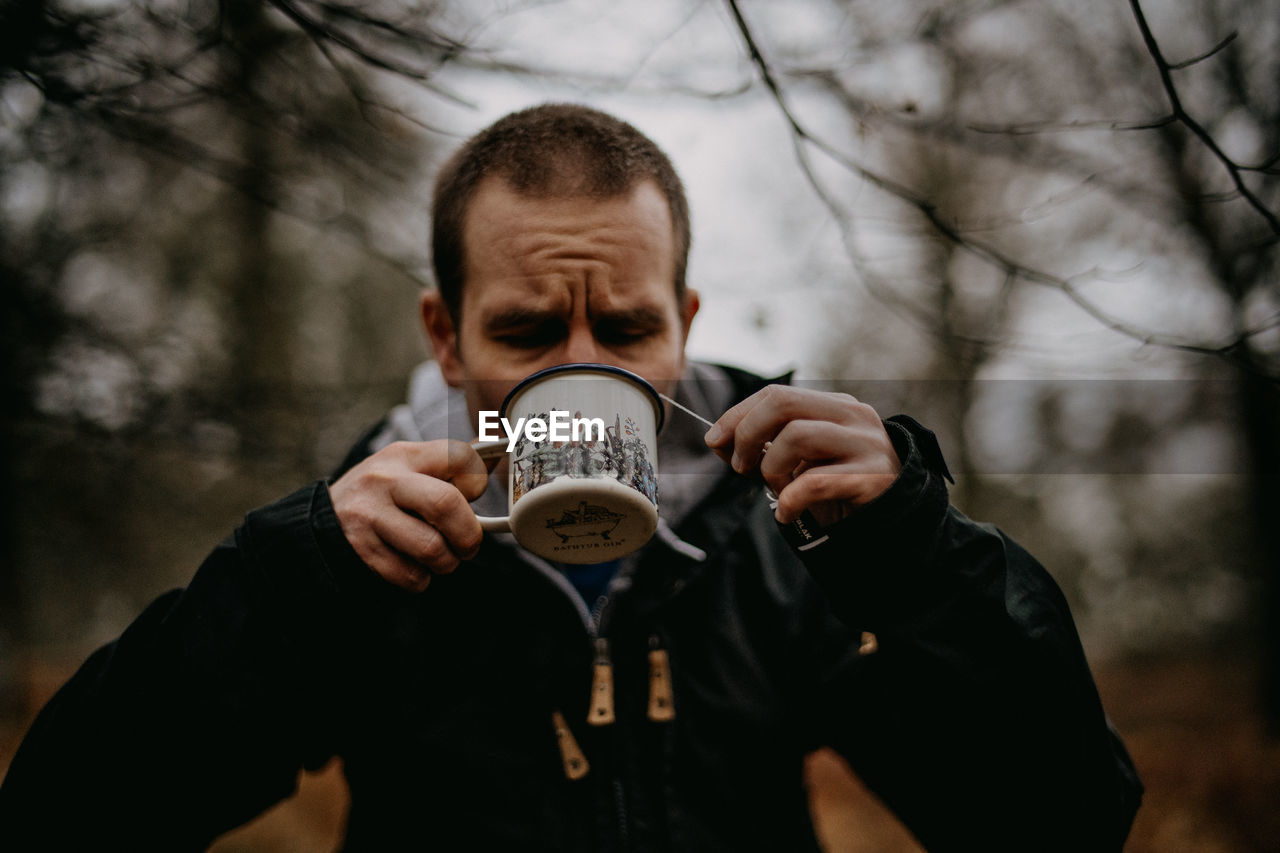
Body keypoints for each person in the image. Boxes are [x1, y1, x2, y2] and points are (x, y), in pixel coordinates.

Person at [0, 103, 1142, 850]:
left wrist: (921, 558)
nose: (586, 373)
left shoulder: (791, 532)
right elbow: (69, 819)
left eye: (631, 327)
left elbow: (1058, 823)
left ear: (684, 324)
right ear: (446, 337)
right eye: (531, 330)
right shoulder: (365, 548)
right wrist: (285, 582)